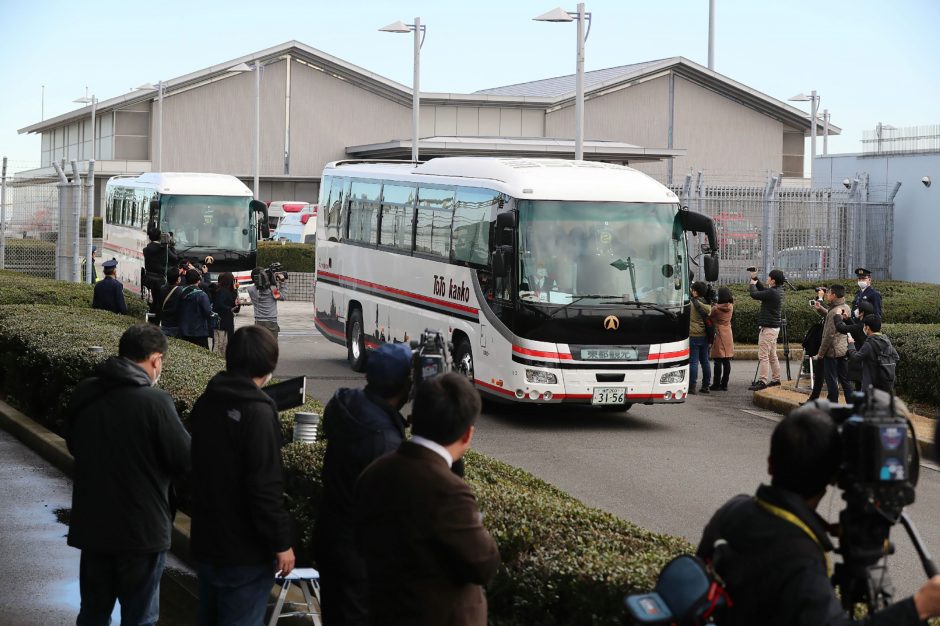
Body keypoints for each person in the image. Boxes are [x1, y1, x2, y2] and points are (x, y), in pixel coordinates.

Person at [697, 403, 940, 624]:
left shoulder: (735, 509)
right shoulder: (800, 562)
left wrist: (814, 526)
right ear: (832, 477)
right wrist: (919, 606)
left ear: (770, 462)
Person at [65, 324, 191, 626]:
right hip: (142, 532)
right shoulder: (155, 402)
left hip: (93, 527)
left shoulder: (86, 392)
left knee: (93, 613)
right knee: (140, 617)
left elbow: (73, 443)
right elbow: (185, 460)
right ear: (156, 359)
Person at [355, 373, 501, 626]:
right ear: (467, 434)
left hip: (383, 610)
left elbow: (360, 540)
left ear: (414, 418)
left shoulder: (374, 472)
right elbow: (483, 564)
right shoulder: (449, 491)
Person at [189, 326, 295, 626]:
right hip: (245, 552)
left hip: (208, 540)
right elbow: (265, 486)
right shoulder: (258, 412)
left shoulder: (208, 400)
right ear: (268, 364)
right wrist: (281, 542)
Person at [313, 342, 414, 626]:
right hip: (358, 556)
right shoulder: (383, 441)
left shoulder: (346, 404)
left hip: (332, 537)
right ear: (403, 385)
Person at [747, 268, 785, 391]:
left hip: (768, 329)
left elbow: (754, 294)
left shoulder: (773, 292)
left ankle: (762, 381)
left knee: (763, 355)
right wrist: (755, 279)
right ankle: (776, 379)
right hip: (774, 328)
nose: (767, 279)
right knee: (772, 355)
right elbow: (764, 290)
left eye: (769, 277)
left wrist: (752, 284)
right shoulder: (777, 290)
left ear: (773, 281)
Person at [814, 284, 853, 403]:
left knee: (831, 380)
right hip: (842, 349)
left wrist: (820, 353)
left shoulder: (835, 310)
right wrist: (820, 309)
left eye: (829, 292)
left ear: (834, 295)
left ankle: (833, 406)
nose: (827, 294)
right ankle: (852, 405)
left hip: (832, 351)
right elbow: (832, 317)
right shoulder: (845, 307)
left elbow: (829, 335)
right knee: (845, 380)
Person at [847, 315, 900, 393]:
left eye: (864, 326)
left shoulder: (869, 343)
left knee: (868, 404)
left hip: (870, 384)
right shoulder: (886, 341)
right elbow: (896, 357)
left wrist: (851, 344)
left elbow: (856, 357)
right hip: (885, 384)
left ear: (867, 328)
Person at [835, 300, 875, 391]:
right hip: (869, 364)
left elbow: (841, 328)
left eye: (858, 310)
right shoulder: (871, 324)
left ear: (862, 313)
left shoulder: (861, 327)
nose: (856, 311)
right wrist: (848, 319)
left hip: (860, 363)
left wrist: (837, 316)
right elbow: (857, 329)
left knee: (859, 389)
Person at [143, 230, 179, 313]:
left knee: (153, 300)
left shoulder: (146, 249)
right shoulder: (163, 249)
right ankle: (157, 318)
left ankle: (152, 316)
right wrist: (171, 246)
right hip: (160, 280)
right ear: (160, 237)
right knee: (160, 300)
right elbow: (175, 258)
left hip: (148, 278)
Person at [178, 269, 214, 348]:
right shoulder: (201, 295)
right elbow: (208, 312)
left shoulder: (180, 292)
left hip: (184, 330)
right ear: (198, 280)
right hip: (199, 332)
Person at [688, 281, 712, 394]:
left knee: (693, 362)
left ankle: (692, 386)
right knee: (705, 361)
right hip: (705, 336)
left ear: (694, 291)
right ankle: (706, 385)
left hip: (693, 335)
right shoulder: (707, 305)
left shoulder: (691, 304)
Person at [709, 287, 734, 391]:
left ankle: (716, 384)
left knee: (717, 360)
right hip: (728, 333)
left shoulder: (716, 309)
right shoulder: (731, 306)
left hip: (719, 333)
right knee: (726, 360)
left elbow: (710, 317)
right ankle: (724, 384)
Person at [248, 266, 281, 339]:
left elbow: (258, 287)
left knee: (260, 346)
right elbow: (283, 297)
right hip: (271, 322)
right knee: (272, 346)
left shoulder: (250, 290)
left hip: (258, 322)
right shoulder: (273, 290)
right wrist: (282, 283)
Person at [212, 272, 240, 355]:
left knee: (224, 343)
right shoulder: (222, 291)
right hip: (222, 320)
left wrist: (235, 290)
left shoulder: (226, 290)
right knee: (220, 343)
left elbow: (234, 304)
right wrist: (230, 309)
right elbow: (219, 304)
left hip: (226, 320)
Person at [156, 268, 184, 337]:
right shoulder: (180, 290)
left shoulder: (162, 288)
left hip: (164, 323)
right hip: (175, 325)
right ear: (177, 279)